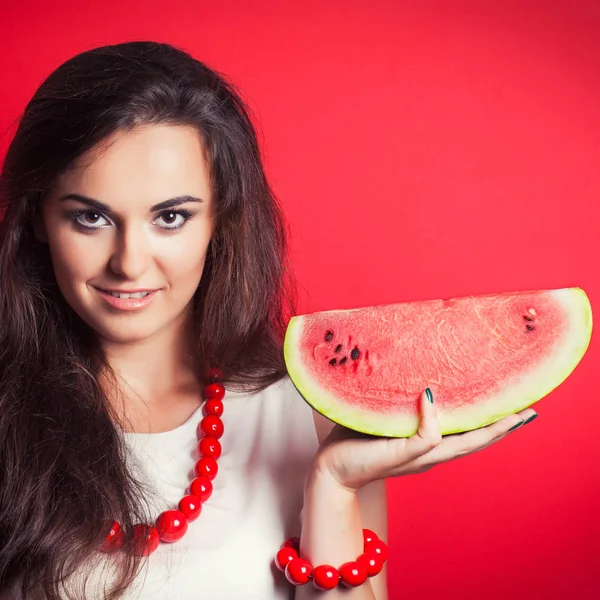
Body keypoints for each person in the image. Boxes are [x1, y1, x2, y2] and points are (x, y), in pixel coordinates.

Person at [0, 41, 537, 600]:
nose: (130, 262)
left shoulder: (313, 413)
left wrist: (332, 485)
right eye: (90, 217)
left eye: (171, 217)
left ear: (220, 221)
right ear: (38, 218)